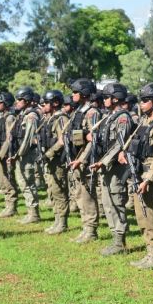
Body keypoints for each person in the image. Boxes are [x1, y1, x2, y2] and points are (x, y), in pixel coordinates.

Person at [119, 83, 153, 269]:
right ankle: (149, 252)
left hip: (150, 175)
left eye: (146, 100)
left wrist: (149, 178)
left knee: (151, 214)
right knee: (141, 214)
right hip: (137, 172)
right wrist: (123, 152)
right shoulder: (144, 121)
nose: (142, 103)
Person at [90, 83, 135, 256]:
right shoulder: (109, 117)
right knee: (107, 202)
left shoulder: (123, 118)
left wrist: (104, 161)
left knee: (116, 201)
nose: (104, 100)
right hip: (106, 165)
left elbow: (119, 143)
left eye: (106, 97)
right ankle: (115, 238)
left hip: (116, 167)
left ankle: (120, 241)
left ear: (115, 98)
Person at [67, 79, 102, 243]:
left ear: (84, 93)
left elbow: (93, 140)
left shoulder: (92, 112)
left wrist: (81, 160)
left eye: (75, 92)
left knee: (87, 194)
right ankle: (85, 227)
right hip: (76, 158)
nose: (72, 95)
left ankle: (91, 230)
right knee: (79, 194)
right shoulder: (78, 111)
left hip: (85, 160)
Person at [39, 90, 71, 234]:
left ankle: (62, 223)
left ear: (55, 103)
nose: (43, 105)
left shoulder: (61, 118)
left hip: (58, 160)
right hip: (50, 160)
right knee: (52, 190)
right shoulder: (50, 118)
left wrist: (49, 153)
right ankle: (57, 220)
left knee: (59, 191)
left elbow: (62, 140)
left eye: (46, 103)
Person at [11, 86, 42, 224]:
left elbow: (28, 139)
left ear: (27, 100)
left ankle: (34, 214)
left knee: (28, 183)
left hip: (28, 154)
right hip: (22, 154)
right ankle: (30, 212)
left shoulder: (31, 116)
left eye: (20, 100)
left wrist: (18, 154)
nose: (17, 102)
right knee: (22, 182)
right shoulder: (23, 114)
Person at [0, 91, 19, 218]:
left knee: (8, 180)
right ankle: (7, 205)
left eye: (0, 102)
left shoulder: (9, 118)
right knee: (2, 181)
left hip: (6, 153)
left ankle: (11, 207)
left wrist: (1, 155)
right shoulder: (0, 116)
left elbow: (9, 139)